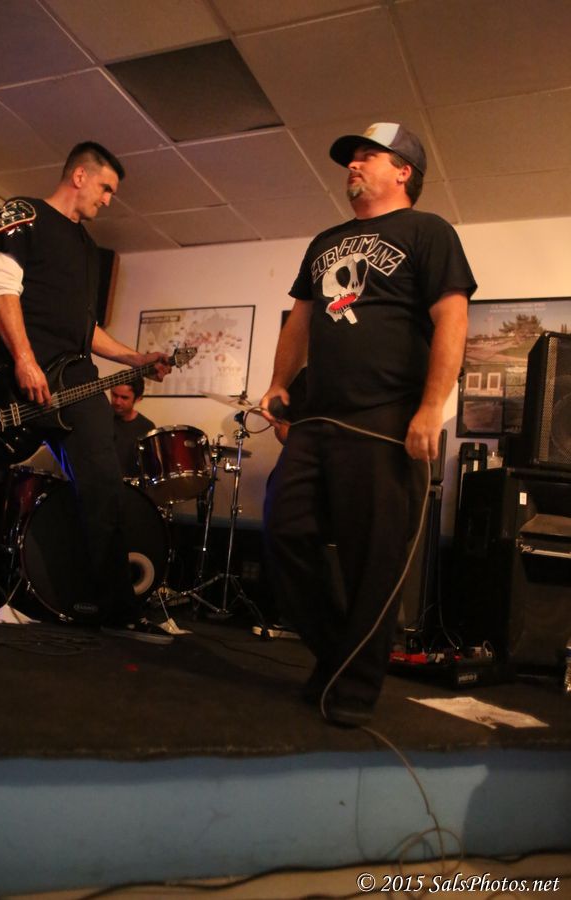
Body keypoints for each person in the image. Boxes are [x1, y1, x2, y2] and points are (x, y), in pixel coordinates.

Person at [261, 122, 476, 726]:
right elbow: (300, 322)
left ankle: (352, 689)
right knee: (283, 530)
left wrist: (431, 408)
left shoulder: (429, 232)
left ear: (403, 170)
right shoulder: (325, 241)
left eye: (367, 156)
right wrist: (278, 383)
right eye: (351, 159)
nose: (353, 166)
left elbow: (452, 319)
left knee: (372, 558)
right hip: (316, 416)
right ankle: (340, 655)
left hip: (387, 418)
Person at [0, 141, 173, 643]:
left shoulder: (87, 248)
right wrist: (24, 359)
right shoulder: (26, 214)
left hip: (75, 382)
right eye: (106, 188)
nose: (108, 199)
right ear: (79, 176)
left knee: (103, 487)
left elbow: (87, 329)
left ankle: (116, 608)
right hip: (13, 382)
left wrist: (135, 359)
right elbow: (0, 288)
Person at [110, 377, 155, 478]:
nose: (117, 402)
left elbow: (149, 467)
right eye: (114, 395)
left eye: (124, 398)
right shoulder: (101, 419)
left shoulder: (146, 427)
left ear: (138, 398)